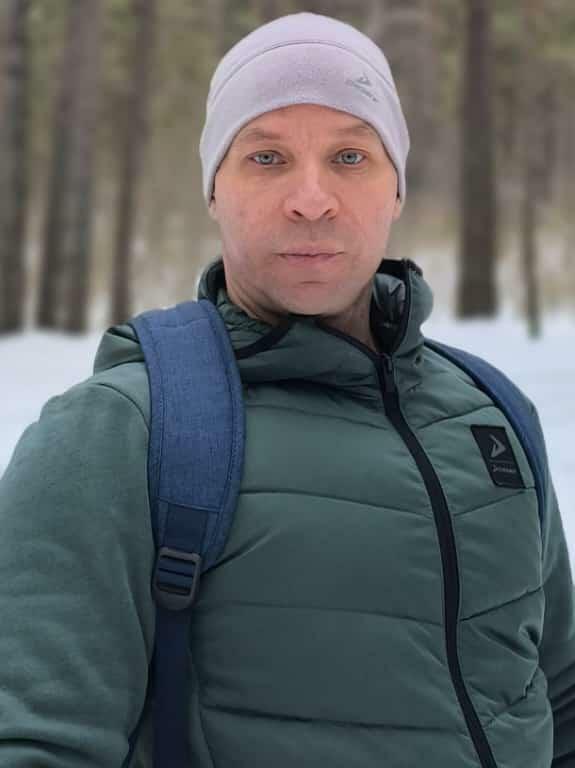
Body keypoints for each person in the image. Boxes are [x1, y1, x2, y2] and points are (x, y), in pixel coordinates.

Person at [0, 11, 573, 768]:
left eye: (349, 156)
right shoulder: (118, 431)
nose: (311, 198)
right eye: (266, 157)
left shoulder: (491, 414)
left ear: (396, 188)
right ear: (215, 189)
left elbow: (558, 700)